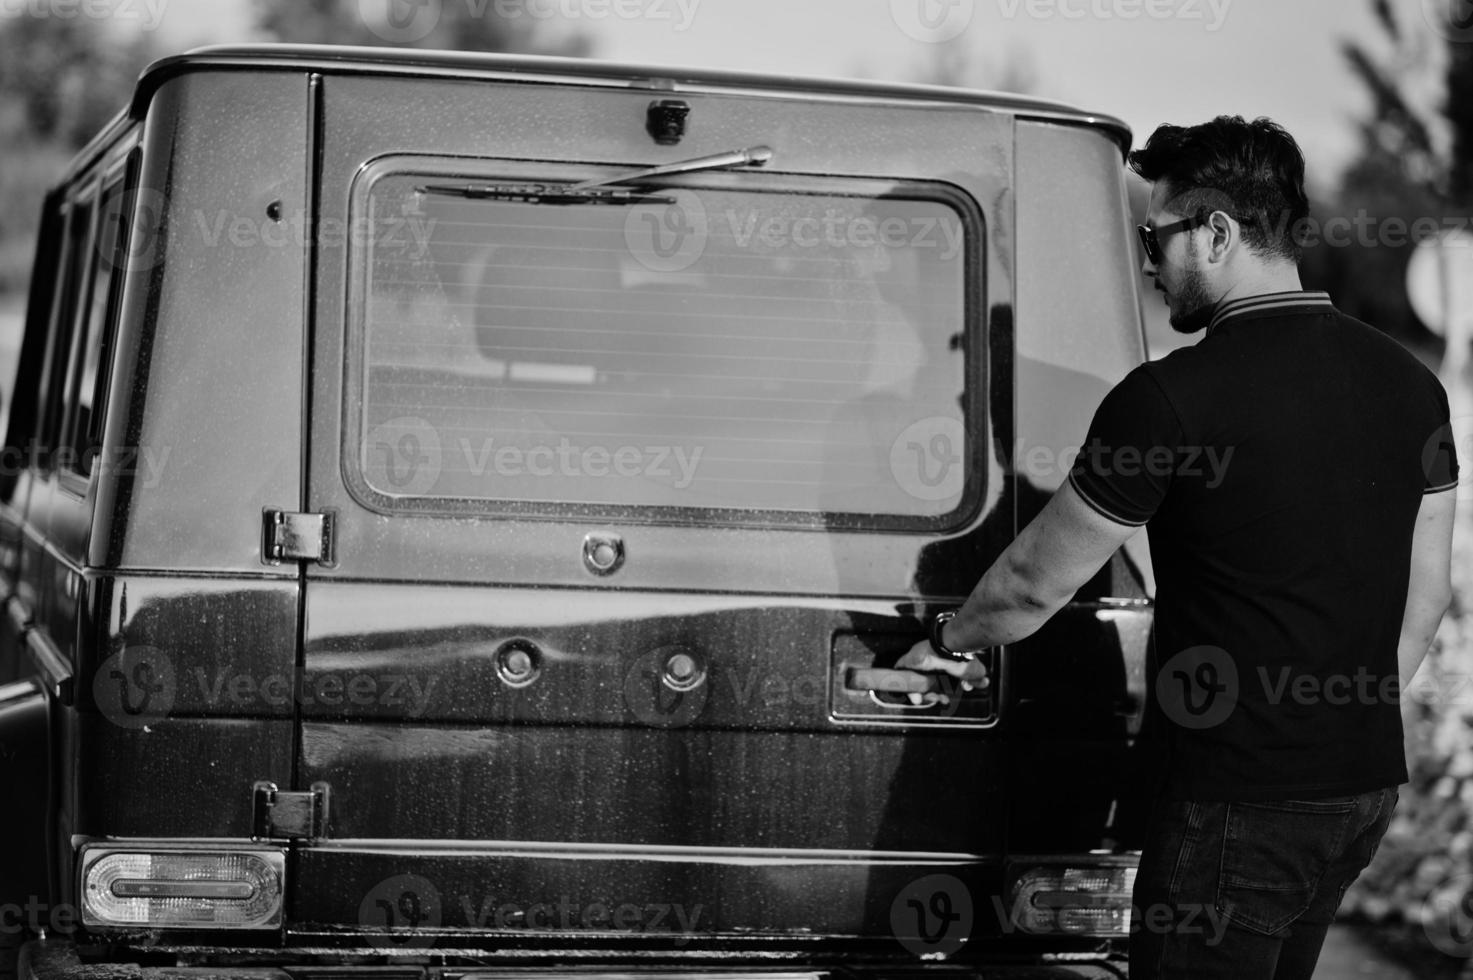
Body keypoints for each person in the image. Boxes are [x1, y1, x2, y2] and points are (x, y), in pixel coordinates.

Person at [896, 115, 1459, 979]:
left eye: (1153, 236)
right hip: (1357, 792)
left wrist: (945, 645)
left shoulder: (1167, 399)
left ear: (1218, 232)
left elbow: (1031, 588)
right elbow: (1424, 596)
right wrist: (1335, 723)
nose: (1148, 263)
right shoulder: (1411, 386)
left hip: (1237, 803)